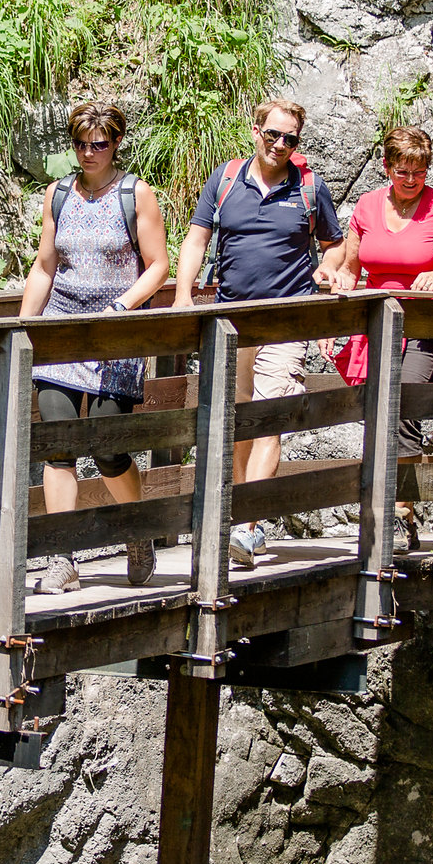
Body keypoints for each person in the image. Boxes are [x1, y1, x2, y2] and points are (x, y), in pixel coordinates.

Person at [172, 98, 345, 567]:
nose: (281, 145)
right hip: (231, 322)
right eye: (274, 135)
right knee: (236, 422)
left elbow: (334, 245)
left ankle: (247, 528)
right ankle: (234, 514)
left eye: (291, 138)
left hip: (286, 323)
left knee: (270, 418)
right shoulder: (226, 180)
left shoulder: (309, 187)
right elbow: (197, 237)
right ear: (256, 132)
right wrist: (184, 293)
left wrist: (329, 269)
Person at [19, 103, 171, 594]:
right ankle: (61, 557)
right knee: (59, 445)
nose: (88, 153)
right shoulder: (58, 193)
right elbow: (45, 267)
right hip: (63, 328)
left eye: (99, 144)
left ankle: (136, 529)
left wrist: (123, 307)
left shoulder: (135, 194)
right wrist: (25, 326)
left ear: (116, 144)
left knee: (107, 446)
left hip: (115, 332)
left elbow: (157, 265)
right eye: (81, 144)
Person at [324, 127, 433, 550]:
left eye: (419, 171)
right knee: (380, 411)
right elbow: (352, 267)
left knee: (401, 400)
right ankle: (394, 512)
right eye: (402, 171)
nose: (411, 180)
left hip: (424, 323)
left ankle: (400, 513)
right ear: (386, 167)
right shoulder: (367, 205)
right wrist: (341, 278)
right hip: (378, 321)